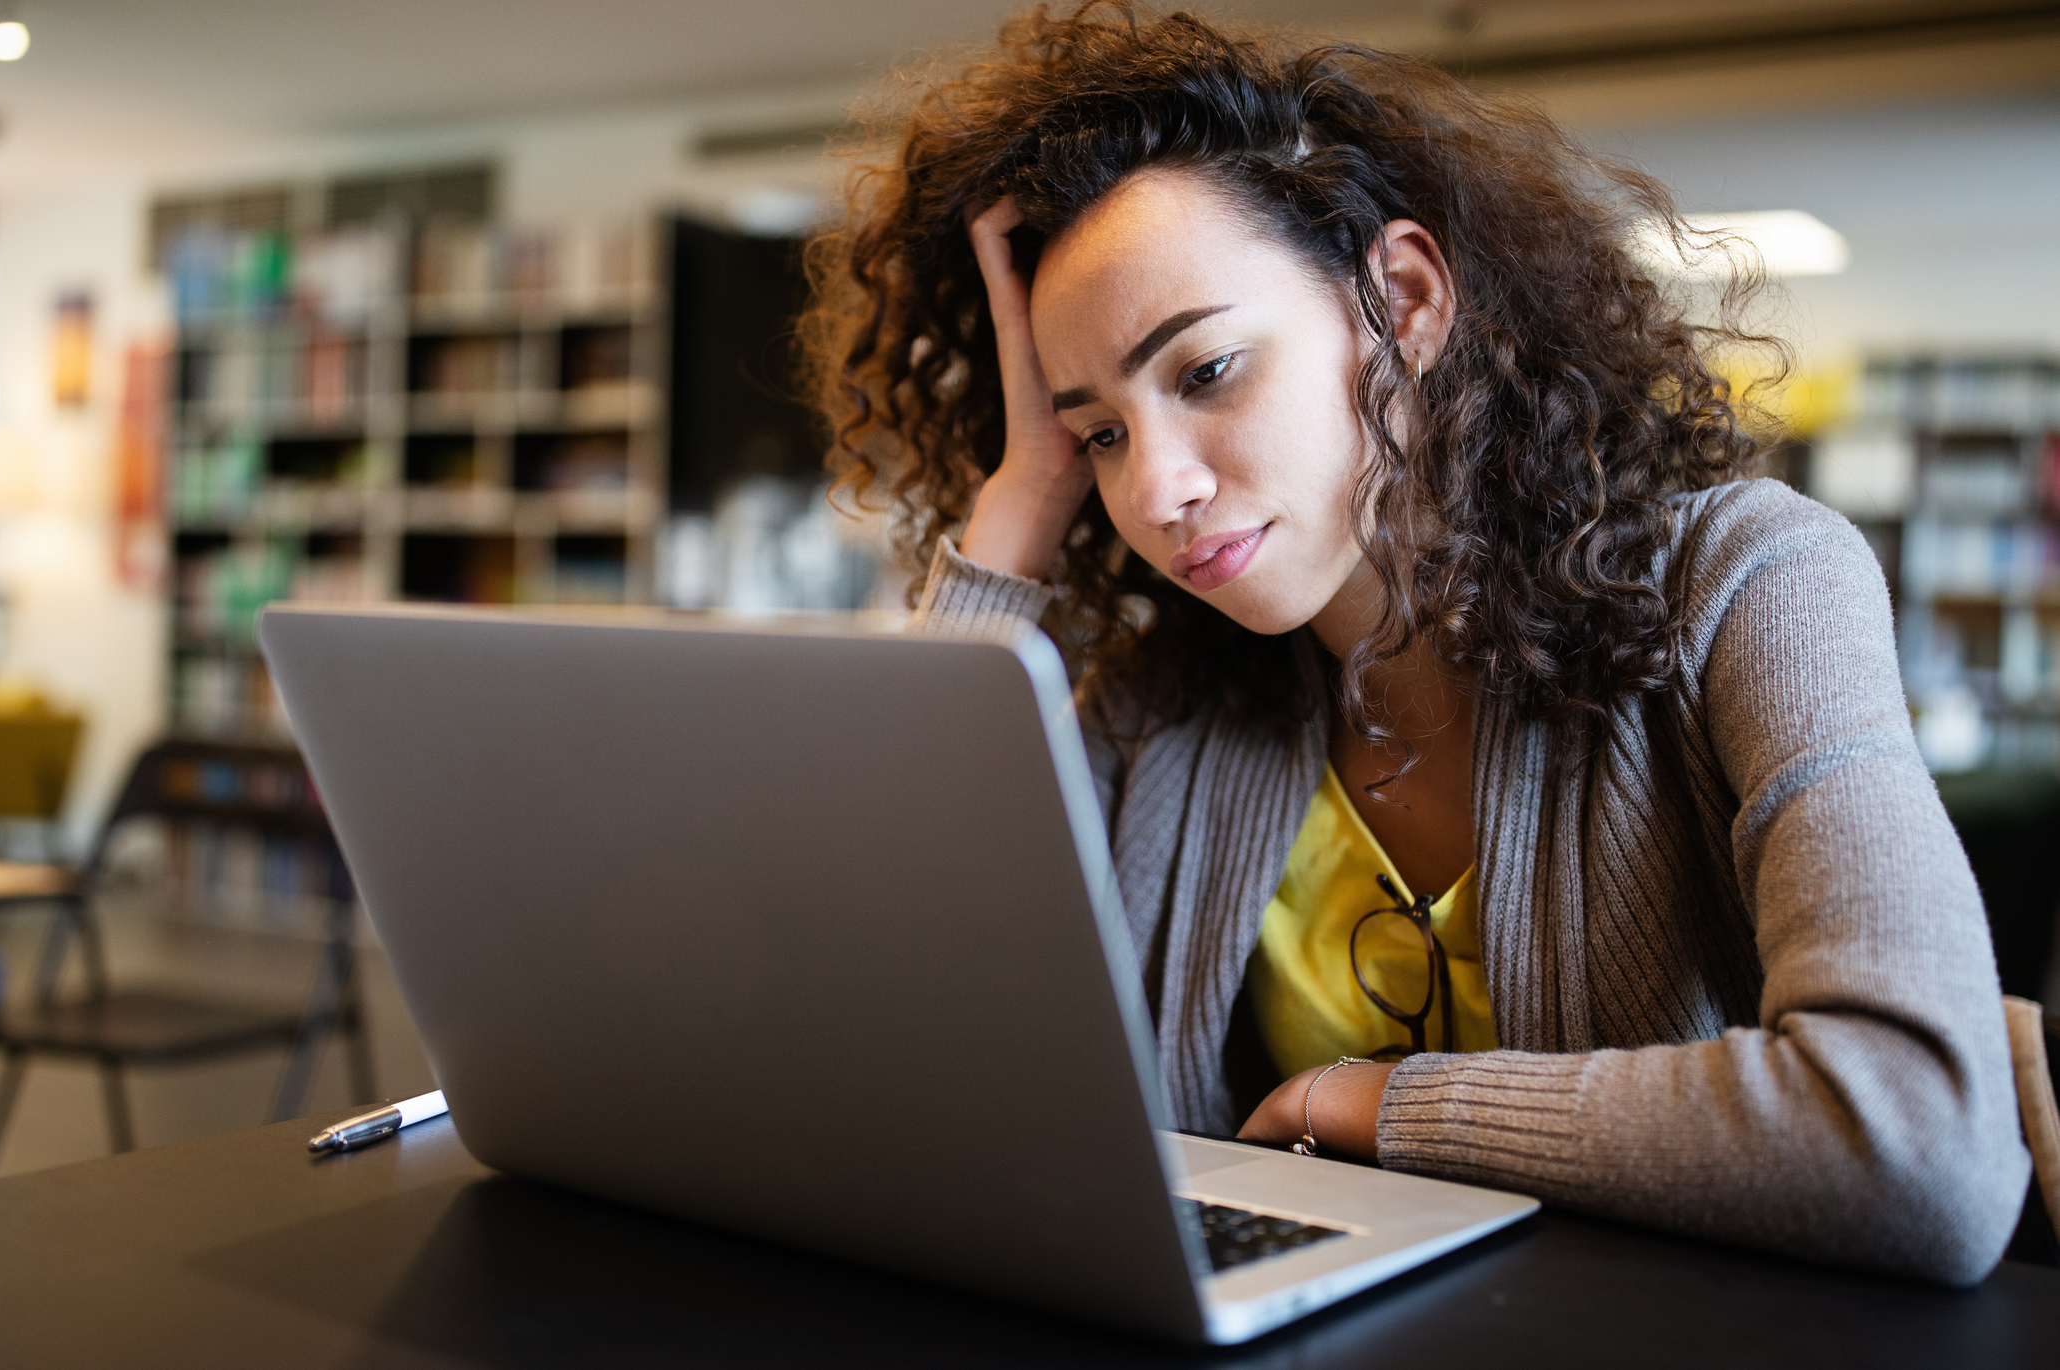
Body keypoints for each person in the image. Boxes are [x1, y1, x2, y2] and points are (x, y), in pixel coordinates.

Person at [799, 1, 2029, 1284]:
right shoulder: (1157, 704)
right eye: (1101, 431)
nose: (1153, 487)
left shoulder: (1750, 580)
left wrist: (1377, 1104)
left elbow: (1918, 1141)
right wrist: (1020, 507)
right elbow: (867, 1047)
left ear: (1402, 299)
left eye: (1206, 371)